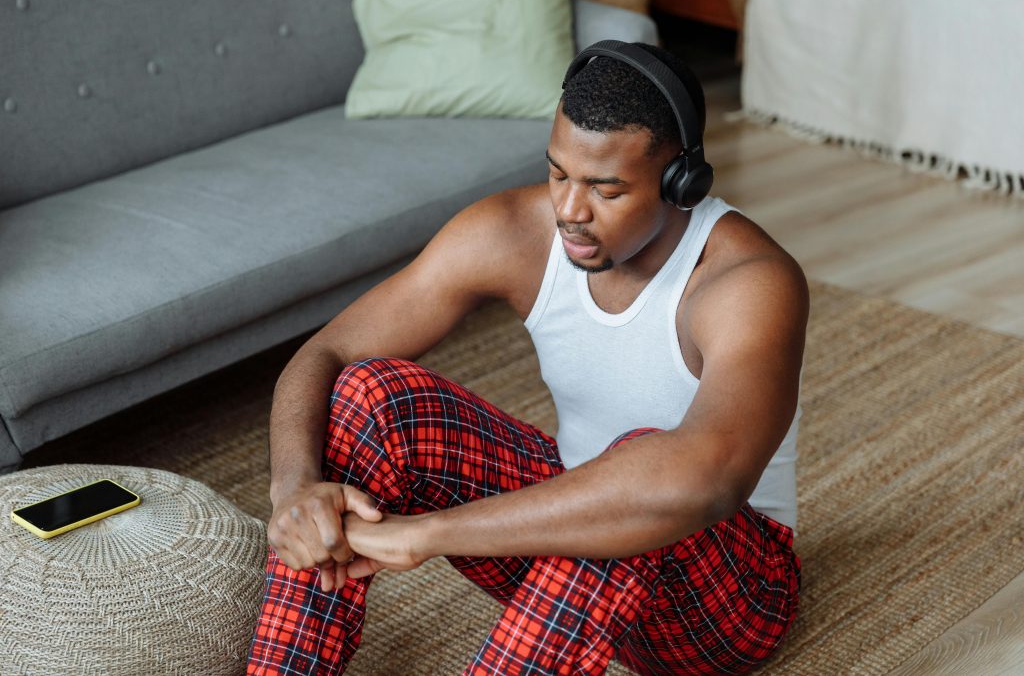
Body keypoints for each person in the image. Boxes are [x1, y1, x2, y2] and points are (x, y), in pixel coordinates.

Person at [247, 40, 806, 676]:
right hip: (571, 555)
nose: (569, 210)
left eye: (605, 188)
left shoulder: (747, 281)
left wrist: (425, 534)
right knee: (371, 392)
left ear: (681, 180)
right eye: (559, 173)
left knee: (634, 480)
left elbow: (702, 480)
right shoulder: (513, 231)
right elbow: (327, 350)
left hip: (726, 597)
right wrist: (294, 489)